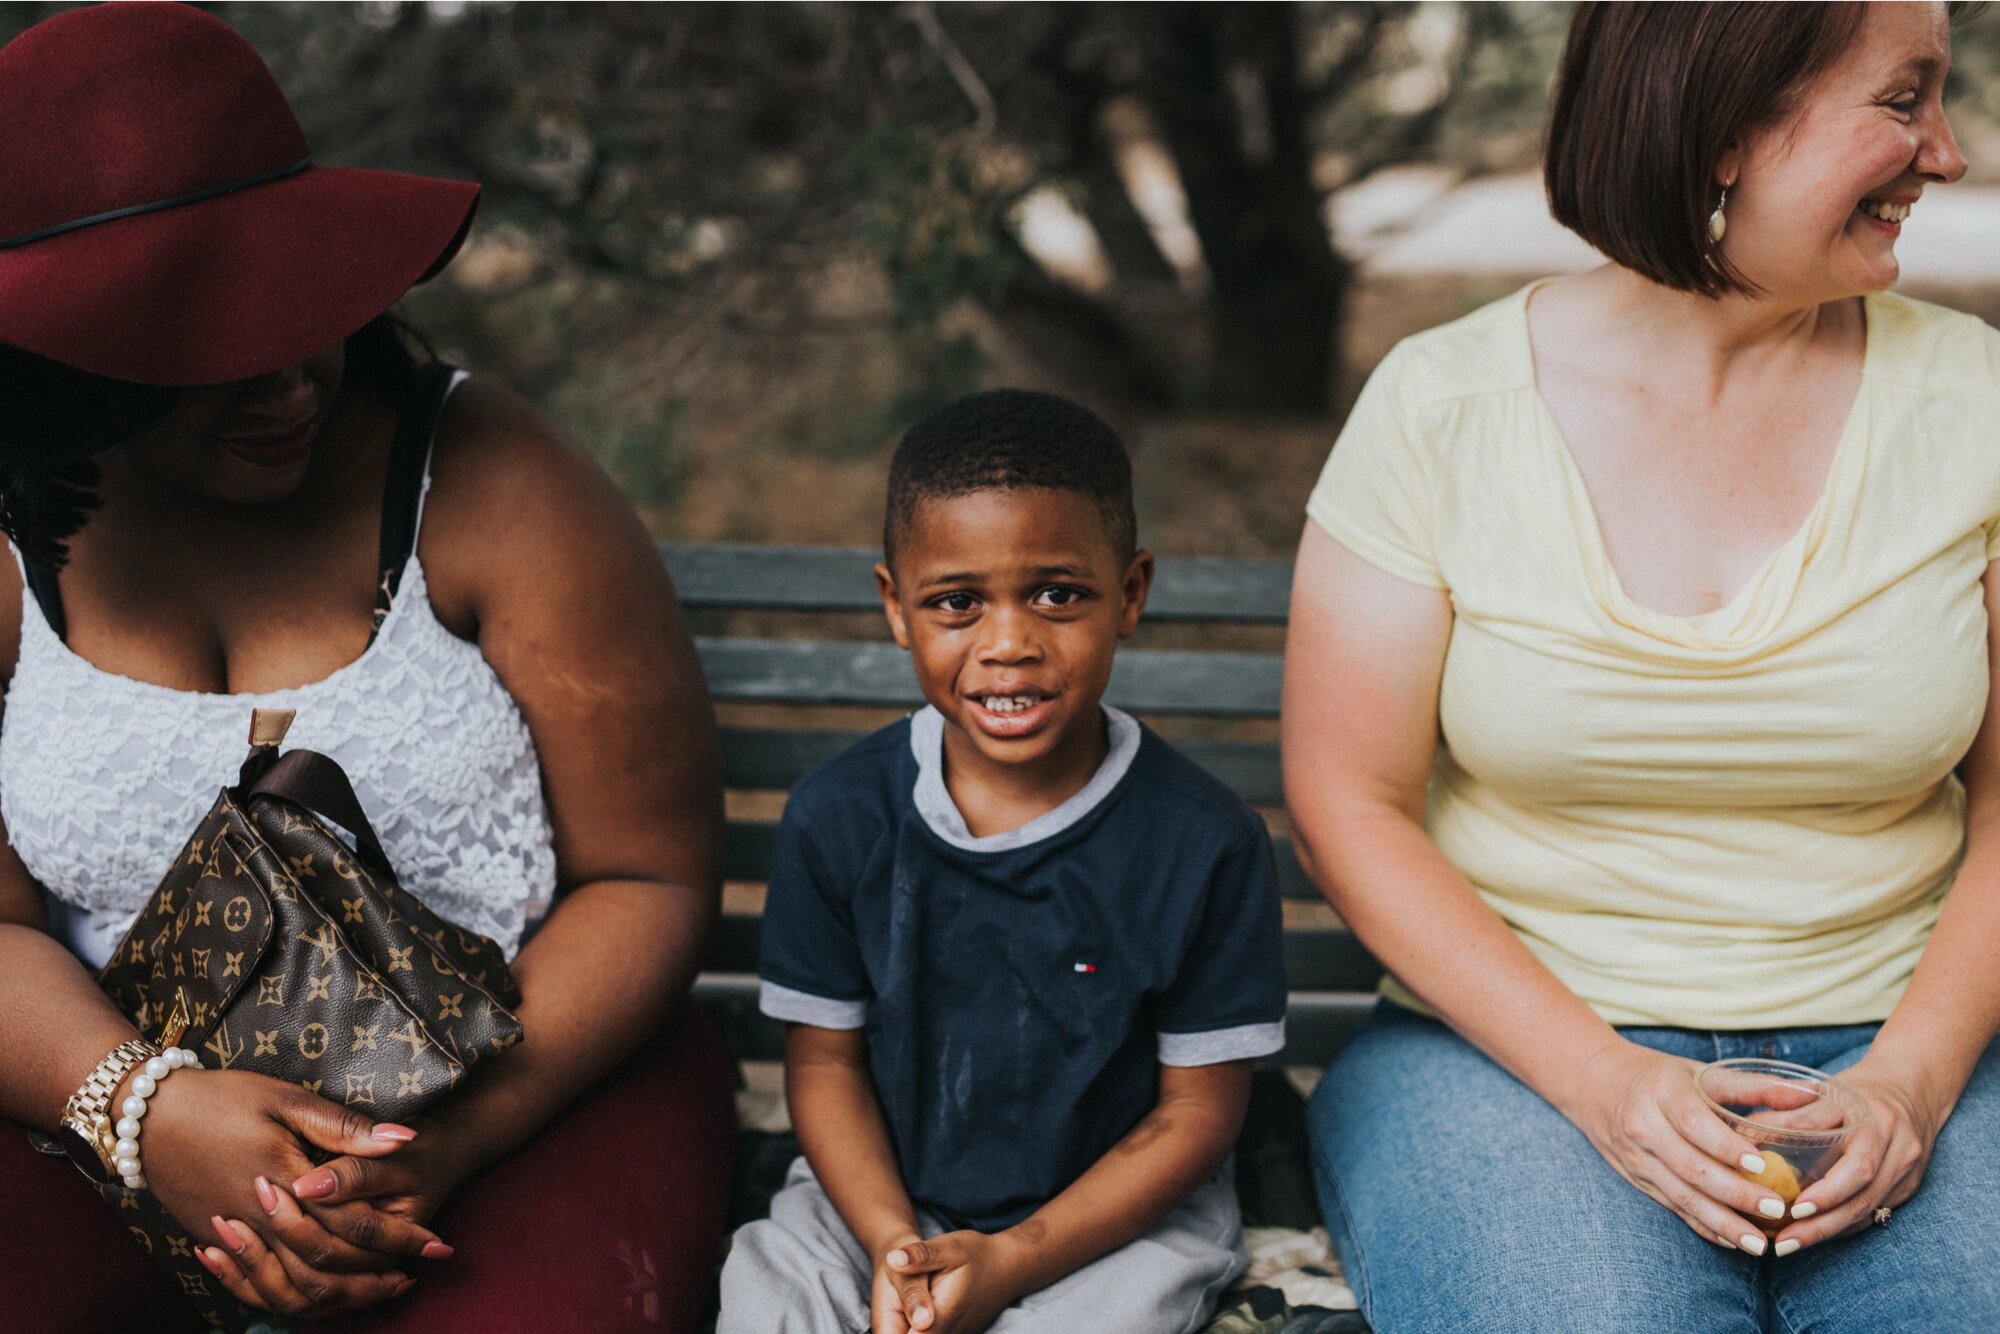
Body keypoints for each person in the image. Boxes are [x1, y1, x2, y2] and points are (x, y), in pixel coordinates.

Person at [0, 6, 733, 1331]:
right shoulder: (9, 543)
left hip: (529, 1090)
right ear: (73, 373)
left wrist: (423, 1152)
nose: (289, 382)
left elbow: (652, 872)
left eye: (307, 309)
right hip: (101, 1112)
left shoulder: (491, 481)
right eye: (215, 351)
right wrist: (144, 1112)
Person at [1284, 2, 2000, 1330]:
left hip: (1916, 1036)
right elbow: (1347, 802)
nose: (1948, 154)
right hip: (1507, 1053)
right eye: (1905, 101)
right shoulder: (1441, 408)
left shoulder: (1981, 406)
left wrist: (1910, 1079)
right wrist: (1608, 1085)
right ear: (1727, 130)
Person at [716, 389, 1288, 1334]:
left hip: (1109, 1216)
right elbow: (823, 1064)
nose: (1010, 644)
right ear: (897, 609)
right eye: (958, 603)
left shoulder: (1205, 841)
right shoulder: (840, 814)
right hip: (875, 1196)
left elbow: (1194, 1115)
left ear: (1133, 592)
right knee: (769, 1296)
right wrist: (898, 1249)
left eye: (1058, 594)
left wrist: (1010, 1258)